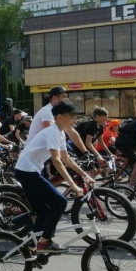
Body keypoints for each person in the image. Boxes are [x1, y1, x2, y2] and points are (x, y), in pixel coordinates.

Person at [13, 101, 95, 253]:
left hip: (31, 170)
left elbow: (67, 159)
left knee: (43, 212)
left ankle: (31, 247)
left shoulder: (60, 133)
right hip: (27, 171)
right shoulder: (52, 132)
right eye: (72, 116)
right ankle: (45, 241)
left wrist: (85, 175)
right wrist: (73, 184)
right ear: (59, 117)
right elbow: (57, 161)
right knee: (59, 202)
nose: (75, 120)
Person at [26, 86, 91, 157]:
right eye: (64, 97)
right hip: (34, 154)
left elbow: (72, 133)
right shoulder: (47, 111)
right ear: (55, 98)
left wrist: (85, 152)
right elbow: (53, 134)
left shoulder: (58, 112)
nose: (67, 99)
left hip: (43, 153)